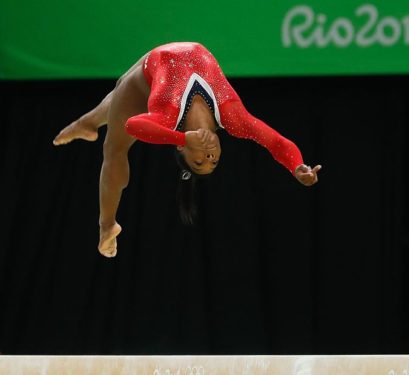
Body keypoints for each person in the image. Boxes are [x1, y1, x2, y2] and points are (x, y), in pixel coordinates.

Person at [53, 42, 321, 258]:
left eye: (199, 162)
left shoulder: (168, 115)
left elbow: (133, 125)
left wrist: (181, 136)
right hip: (164, 57)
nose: (208, 157)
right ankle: (87, 123)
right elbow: (275, 142)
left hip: (146, 75)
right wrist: (297, 166)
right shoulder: (233, 118)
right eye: (213, 162)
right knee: (116, 95)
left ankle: (106, 225)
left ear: (181, 151)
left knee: (114, 146)